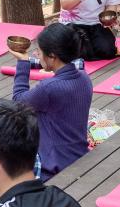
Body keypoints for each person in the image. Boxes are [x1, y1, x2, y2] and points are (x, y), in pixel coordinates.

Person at [9, 24, 93, 181]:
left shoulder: (49, 88)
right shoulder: (84, 78)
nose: (37, 55)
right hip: (79, 155)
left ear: (52, 56)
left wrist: (23, 62)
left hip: (54, 165)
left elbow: (17, 102)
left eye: (39, 52)